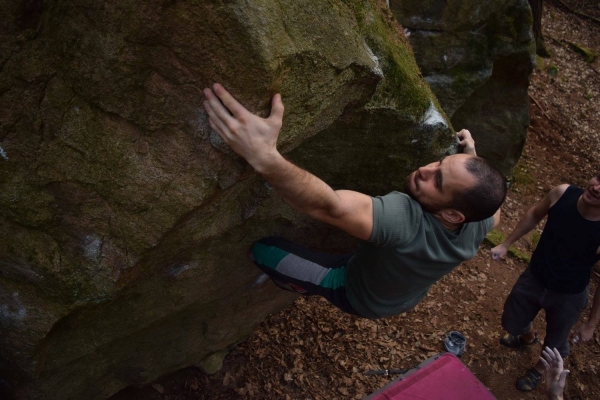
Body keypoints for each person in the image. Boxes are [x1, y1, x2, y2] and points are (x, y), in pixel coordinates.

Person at [203, 83, 506, 319]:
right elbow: (494, 208)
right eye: (440, 163)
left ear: (453, 215)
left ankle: (301, 285)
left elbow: (328, 205)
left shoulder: (406, 222)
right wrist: (470, 159)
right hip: (403, 297)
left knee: (264, 251)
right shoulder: (480, 220)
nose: (424, 170)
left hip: (354, 292)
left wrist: (264, 156)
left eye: (437, 181)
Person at [492, 174, 600, 391]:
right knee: (511, 322)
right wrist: (507, 243)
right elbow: (534, 213)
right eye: (599, 178)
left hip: (569, 295)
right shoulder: (562, 194)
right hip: (535, 277)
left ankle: (539, 370)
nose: (597, 188)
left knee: (555, 344)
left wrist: (590, 324)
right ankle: (528, 337)